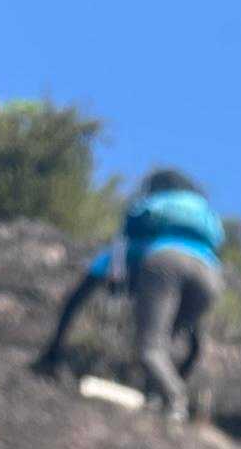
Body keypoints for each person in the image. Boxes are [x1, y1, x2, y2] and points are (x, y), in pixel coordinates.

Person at [34, 169, 226, 421]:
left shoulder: (135, 241)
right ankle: (157, 396)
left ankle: (174, 399)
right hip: (211, 276)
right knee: (167, 341)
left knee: (150, 348)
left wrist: (53, 350)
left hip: (165, 266)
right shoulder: (200, 226)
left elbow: (80, 295)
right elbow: (195, 342)